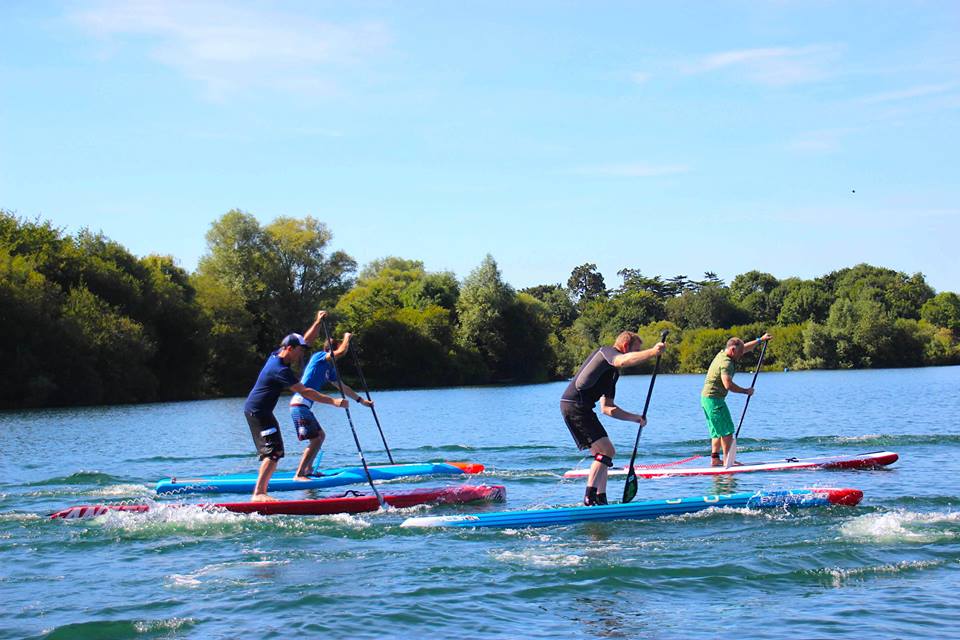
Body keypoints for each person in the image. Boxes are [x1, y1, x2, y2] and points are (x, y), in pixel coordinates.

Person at [243, 310, 349, 502]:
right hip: (257, 412)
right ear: (290, 348)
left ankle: (262, 490)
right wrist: (333, 401)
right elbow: (306, 392)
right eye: (299, 350)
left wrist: (317, 321)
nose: (302, 353)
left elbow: (306, 340)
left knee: (276, 450)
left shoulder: (277, 355)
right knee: (273, 451)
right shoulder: (280, 370)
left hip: (262, 411)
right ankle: (258, 494)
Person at [560, 331, 667, 506]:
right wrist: (652, 352)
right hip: (574, 406)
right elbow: (622, 360)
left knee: (604, 453)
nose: (636, 353)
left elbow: (608, 408)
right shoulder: (606, 353)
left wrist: (636, 418)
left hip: (582, 408)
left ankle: (601, 499)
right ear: (625, 346)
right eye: (635, 350)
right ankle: (589, 498)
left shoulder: (612, 374)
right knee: (607, 450)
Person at [289, 331, 372, 479]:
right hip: (299, 404)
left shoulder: (329, 369)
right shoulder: (319, 357)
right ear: (330, 351)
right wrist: (346, 337)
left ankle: (308, 469)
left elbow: (343, 387)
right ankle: (299, 474)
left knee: (320, 436)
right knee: (315, 439)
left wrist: (361, 401)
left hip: (304, 406)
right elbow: (340, 352)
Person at [701, 333, 772, 466]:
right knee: (727, 430)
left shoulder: (725, 353)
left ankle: (715, 459)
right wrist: (746, 391)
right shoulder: (726, 363)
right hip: (714, 400)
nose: (741, 356)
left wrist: (760, 340)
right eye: (739, 353)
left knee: (717, 431)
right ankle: (729, 461)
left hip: (707, 399)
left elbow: (744, 348)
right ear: (733, 350)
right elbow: (727, 384)